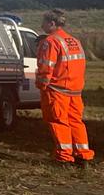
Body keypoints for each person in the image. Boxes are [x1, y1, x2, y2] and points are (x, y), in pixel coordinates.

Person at [37, 9, 95, 166]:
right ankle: (83, 155)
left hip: (57, 90)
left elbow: (46, 67)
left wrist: (42, 85)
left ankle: (64, 157)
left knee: (58, 121)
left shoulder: (50, 42)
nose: (41, 25)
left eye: (43, 22)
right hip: (75, 90)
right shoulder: (74, 41)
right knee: (76, 122)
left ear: (52, 23)